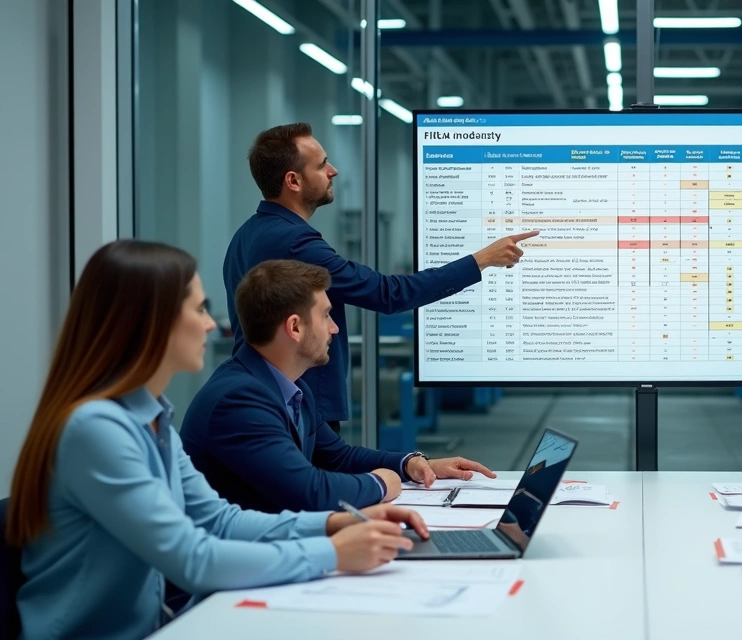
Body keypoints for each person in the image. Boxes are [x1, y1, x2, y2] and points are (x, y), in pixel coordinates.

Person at [5, 240, 430, 640]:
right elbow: (194, 558)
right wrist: (332, 552)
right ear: (151, 324)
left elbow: (220, 521)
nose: (211, 323)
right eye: (199, 308)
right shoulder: (96, 430)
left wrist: (333, 524)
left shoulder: (151, 418)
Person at [226, 122, 536, 434]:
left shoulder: (244, 236)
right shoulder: (296, 242)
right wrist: (481, 260)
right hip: (300, 408)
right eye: (321, 165)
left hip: (269, 397)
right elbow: (388, 293)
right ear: (293, 181)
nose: (333, 171)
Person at [181, 259, 495, 513]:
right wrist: (380, 484)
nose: (334, 329)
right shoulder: (239, 400)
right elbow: (308, 491)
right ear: (294, 327)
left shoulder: (291, 387)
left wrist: (410, 464)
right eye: (326, 316)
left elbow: (338, 457)